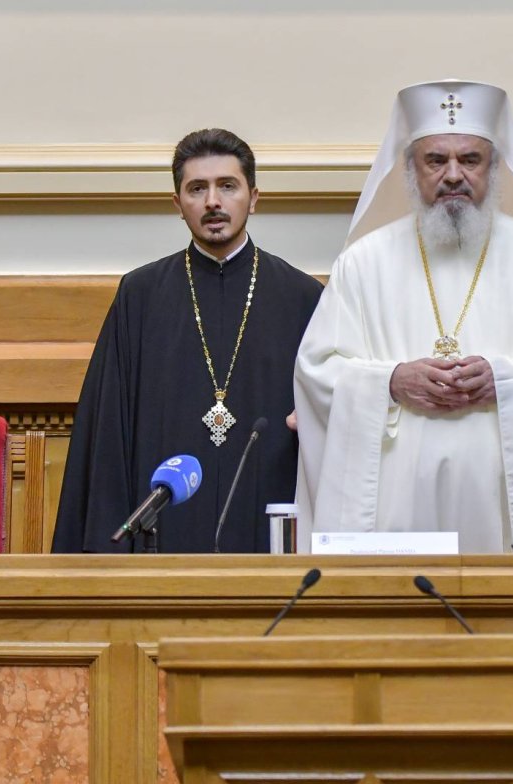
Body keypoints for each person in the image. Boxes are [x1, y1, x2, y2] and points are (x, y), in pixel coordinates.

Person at [294, 80, 513, 553]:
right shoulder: (363, 263)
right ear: (410, 170)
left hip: (506, 520)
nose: (454, 174)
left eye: (471, 159)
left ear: (495, 168)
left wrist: (504, 381)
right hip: (394, 517)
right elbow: (317, 372)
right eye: (436, 160)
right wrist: (392, 381)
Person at [53, 129, 323, 553]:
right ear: (178, 205)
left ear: (253, 197)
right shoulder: (139, 296)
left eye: (227, 186)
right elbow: (107, 437)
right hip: (164, 539)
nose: (213, 202)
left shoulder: (302, 297)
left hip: (268, 530)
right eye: (197, 189)